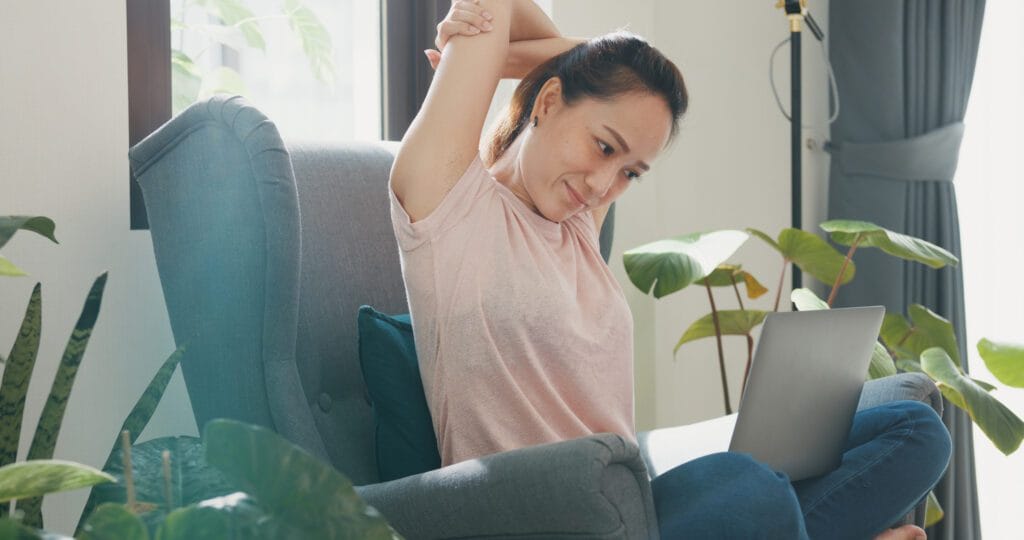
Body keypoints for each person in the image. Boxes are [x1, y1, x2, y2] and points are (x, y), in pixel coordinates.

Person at [388, 1, 952, 538]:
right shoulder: (449, 207)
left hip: (641, 509)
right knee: (750, 489)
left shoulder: (576, 223)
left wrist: (521, 61)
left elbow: (616, 61)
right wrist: (498, 61)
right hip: (547, 518)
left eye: (631, 172)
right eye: (605, 147)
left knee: (915, 430)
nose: (603, 187)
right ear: (548, 101)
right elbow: (521, 18)